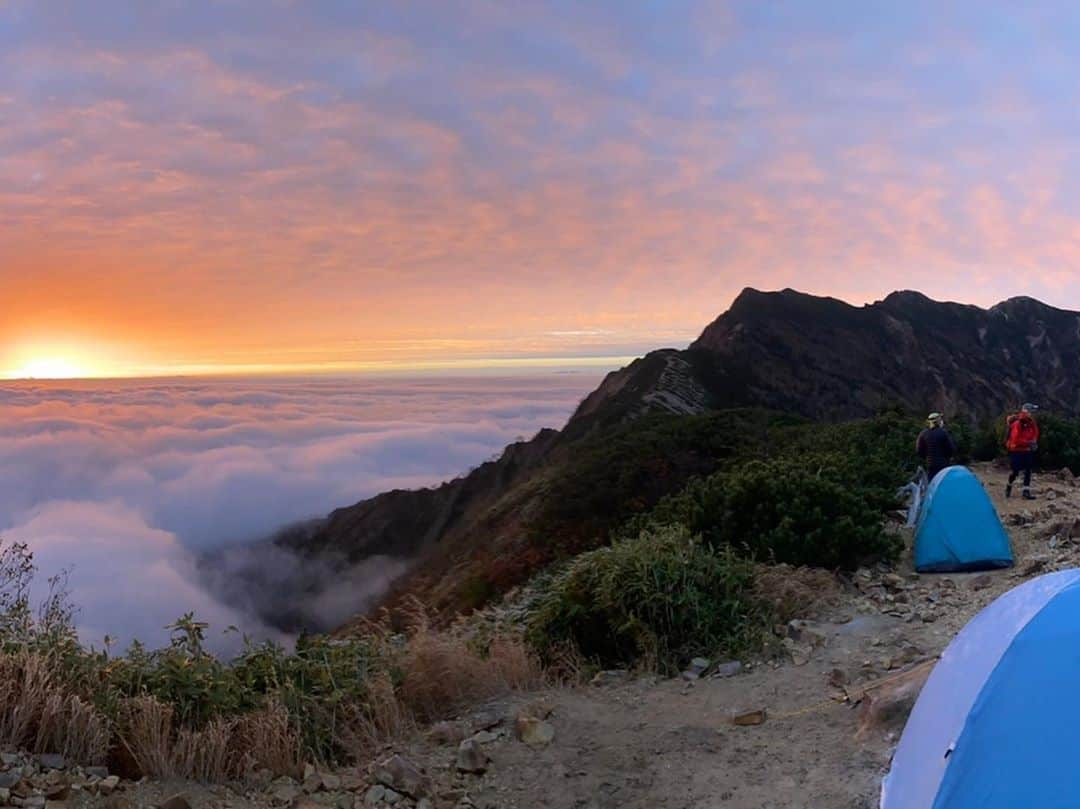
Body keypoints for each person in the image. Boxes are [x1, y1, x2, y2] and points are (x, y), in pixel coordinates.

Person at [1005, 403, 1040, 500]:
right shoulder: (1018, 424)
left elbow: (1035, 432)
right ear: (1026, 411)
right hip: (1017, 450)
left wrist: (1034, 441)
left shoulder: (1031, 422)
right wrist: (1029, 443)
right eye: (1031, 411)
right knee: (1015, 471)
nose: (1032, 413)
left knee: (1028, 470)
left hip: (1027, 450)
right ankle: (1009, 485)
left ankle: (1026, 492)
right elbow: (1015, 439)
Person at [916, 412, 958, 482]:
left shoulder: (923, 434)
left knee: (932, 485)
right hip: (944, 465)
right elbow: (952, 449)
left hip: (930, 466)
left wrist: (927, 458)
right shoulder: (944, 433)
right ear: (938, 422)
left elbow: (919, 451)